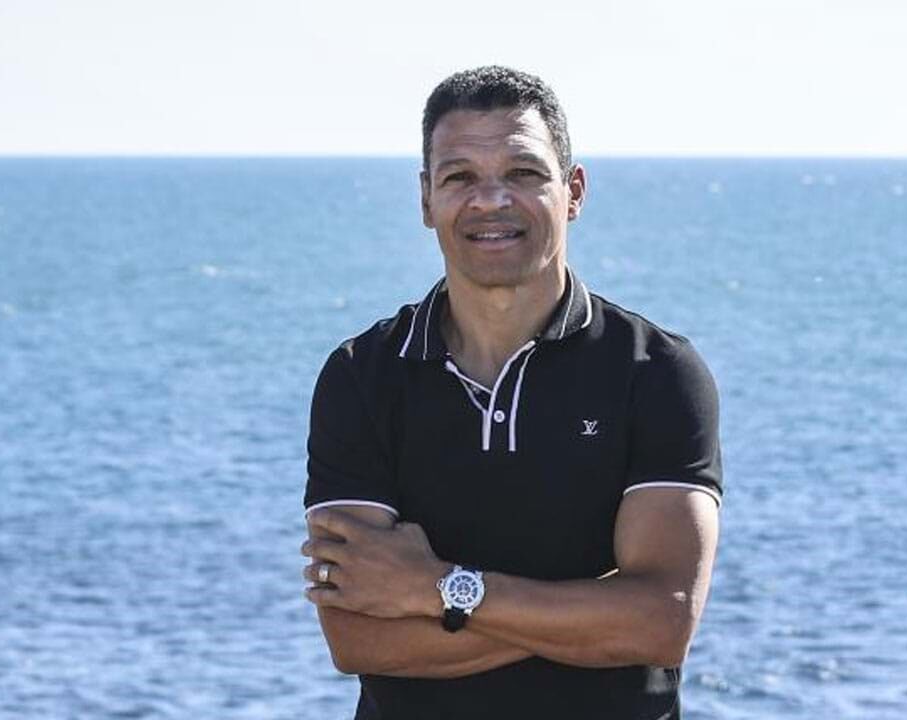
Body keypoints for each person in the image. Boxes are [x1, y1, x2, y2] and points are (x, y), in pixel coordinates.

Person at [301, 65, 722, 720]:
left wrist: (436, 588)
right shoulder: (361, 376)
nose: (491, 200)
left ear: (572, 191)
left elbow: (659, 624)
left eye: (523, 173)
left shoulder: (657, 372)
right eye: (459, 177)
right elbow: (358, 638)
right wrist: (586, 619)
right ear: (425, 199)